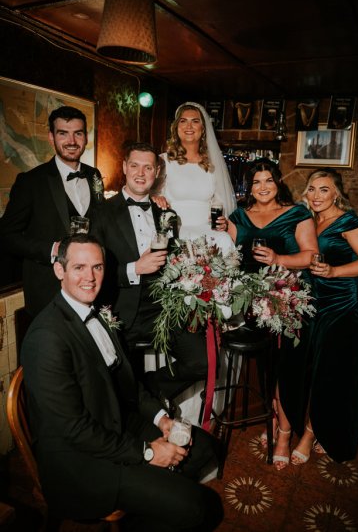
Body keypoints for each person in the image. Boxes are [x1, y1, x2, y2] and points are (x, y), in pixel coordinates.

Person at [20, 234, 223, 532]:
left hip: (117, 422)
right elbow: (76, 430)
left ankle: (151, 501)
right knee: (194, 507)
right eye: (79, 267)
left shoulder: (99, 312)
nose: (90, 277)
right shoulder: (46, 338)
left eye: (98, 267)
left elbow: (129, 384)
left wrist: (162, 419)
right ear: (59, 271)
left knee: (204, 447)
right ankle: (160, 499)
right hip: (80, 460)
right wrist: (149, 452)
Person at [92, 141, 208, 403]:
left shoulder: (166, 213)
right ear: (124, 167)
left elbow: (176, 258)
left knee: (203, 362)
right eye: (135, 166)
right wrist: (135, 268)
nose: (141, 173)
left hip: (165, 309)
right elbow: (93, 272)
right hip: (123, 311)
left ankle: (151, 394)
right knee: (117, 379)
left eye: (148, 167)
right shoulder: (102, 213)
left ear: (156, 173)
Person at [227, 159, 318, 470]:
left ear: (278, 182)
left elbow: (310, 256)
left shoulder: (297, 213)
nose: (262, 187)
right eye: (256, 182)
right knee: (266, 366)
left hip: (289, 295)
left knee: (289, 368)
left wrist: (279, 258)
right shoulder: (238, 215)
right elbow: (230, 255)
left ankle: (285, 432)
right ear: (248, 187)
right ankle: (275, 413)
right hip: (251, 302)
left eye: (268, 180)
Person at [293, 168, 358, 464]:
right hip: (315, 301)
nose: (317, 196)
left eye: (324, 190)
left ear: (336, 193)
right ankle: (321, 426)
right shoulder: (310, 219)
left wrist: (334, 271)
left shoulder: (349, 221)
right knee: (313, 367)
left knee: (331, 373)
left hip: (345, 305)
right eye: (312, 189)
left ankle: (310, 432)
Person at [0, 105, 104, 317]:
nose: (72, 141)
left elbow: (103, 219)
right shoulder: (30, 182)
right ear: (51, 137)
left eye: (78, 133)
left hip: (90, 288)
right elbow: (5, 236)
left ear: (85, 137)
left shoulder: (94, 175)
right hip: (48, 293)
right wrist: (52, 249)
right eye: (63, 134)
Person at [153, 102, 236, 254]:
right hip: (175, 231)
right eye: (183, 121)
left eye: (195, 121)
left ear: (203, 129)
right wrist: (156, 198)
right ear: (176, 127)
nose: (188, 126)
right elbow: (151, 196)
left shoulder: (213, 165)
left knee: (224, 240)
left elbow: (220, 202)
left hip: (207, 231)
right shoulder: (164, 161)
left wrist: (222, 221)